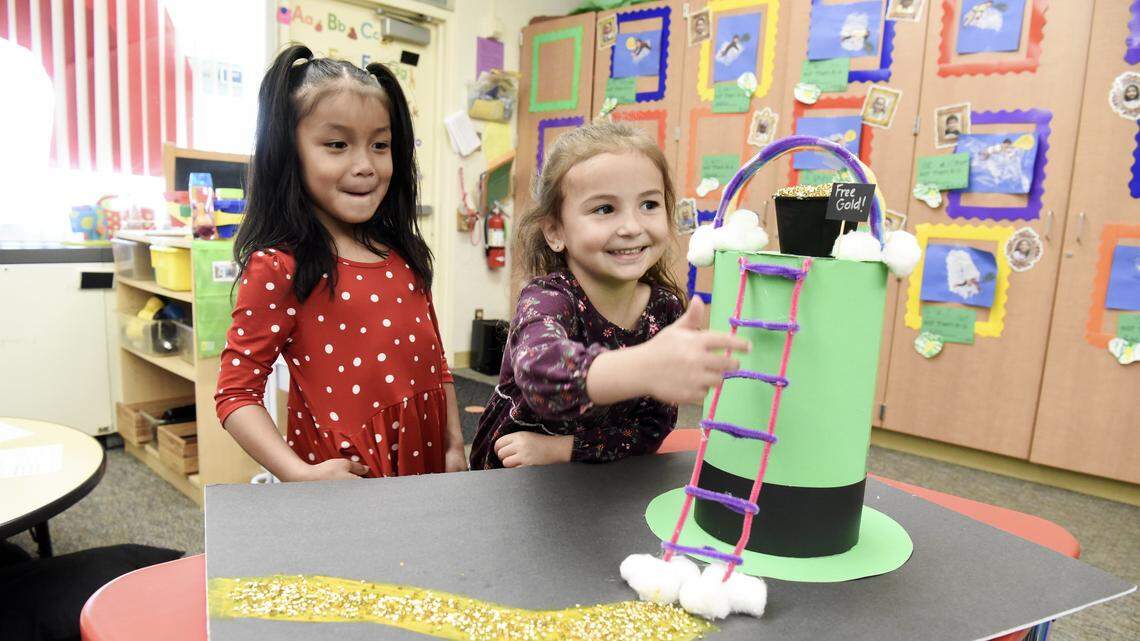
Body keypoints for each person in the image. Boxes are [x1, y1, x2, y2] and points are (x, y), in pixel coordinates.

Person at [214, 45, 467, 481]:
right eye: (337, 144)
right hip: (348, 480)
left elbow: (435, 359)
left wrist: (454, 441)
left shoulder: (401, 251)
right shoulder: (279, 266)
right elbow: (236, 393)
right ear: (289, 152)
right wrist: (298, 474)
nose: (365, 166)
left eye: (380, 145)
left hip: (425, 461)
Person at [469, 122, 750, 469]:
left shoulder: (664, 309)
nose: (632, 227)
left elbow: (652, 428)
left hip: (604, 477)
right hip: (517, 476)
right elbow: (541, 374)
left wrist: (565, 449)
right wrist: (645, 366)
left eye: (649, 204)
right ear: (556, 231)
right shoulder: (547, 298)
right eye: (604, 209)